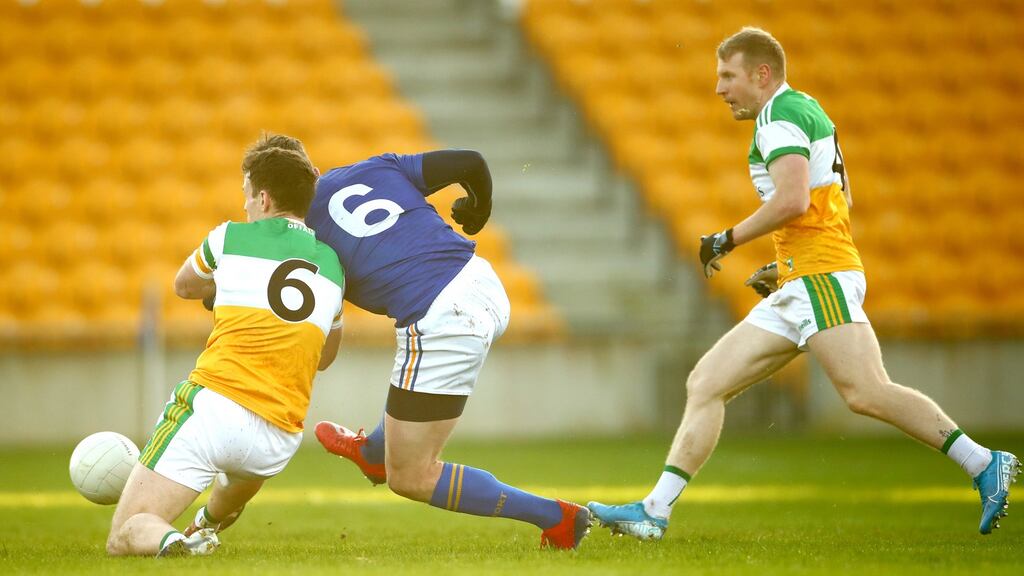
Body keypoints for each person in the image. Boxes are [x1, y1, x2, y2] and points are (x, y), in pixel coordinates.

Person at [587, 27, 1019, 540]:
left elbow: (792, 200)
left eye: (728, 76)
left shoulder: (778, 116)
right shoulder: (806, 108)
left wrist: (726, 238)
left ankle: (983, 462)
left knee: (865, 391)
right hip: (804, 275)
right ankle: (654, 512)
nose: (720, 89)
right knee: (705, 383)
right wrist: (783, 264)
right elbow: (836, 202)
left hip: (818, 274)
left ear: (761, 74)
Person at [251, 135, 590, 549]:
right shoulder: (377, 166)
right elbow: (471, 160)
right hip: (483, 282)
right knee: (408, 388)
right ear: (315, 172)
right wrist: (478, 208)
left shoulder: (301, 240)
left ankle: (556, 518)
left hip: (443, 316)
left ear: (265, 198)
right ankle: (374, 451)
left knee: (411, 476)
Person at [106, 141, 345, 557]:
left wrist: (227, 286)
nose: (246, 203)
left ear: (264, 197)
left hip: (215, 409)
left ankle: (173, 541)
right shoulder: (333, 266)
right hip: (277, 437)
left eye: (247, 193)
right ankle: (205, 526)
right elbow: (325, 357)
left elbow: (184, 286)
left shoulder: (230, 237)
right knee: (239, 474)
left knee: (126, 533)